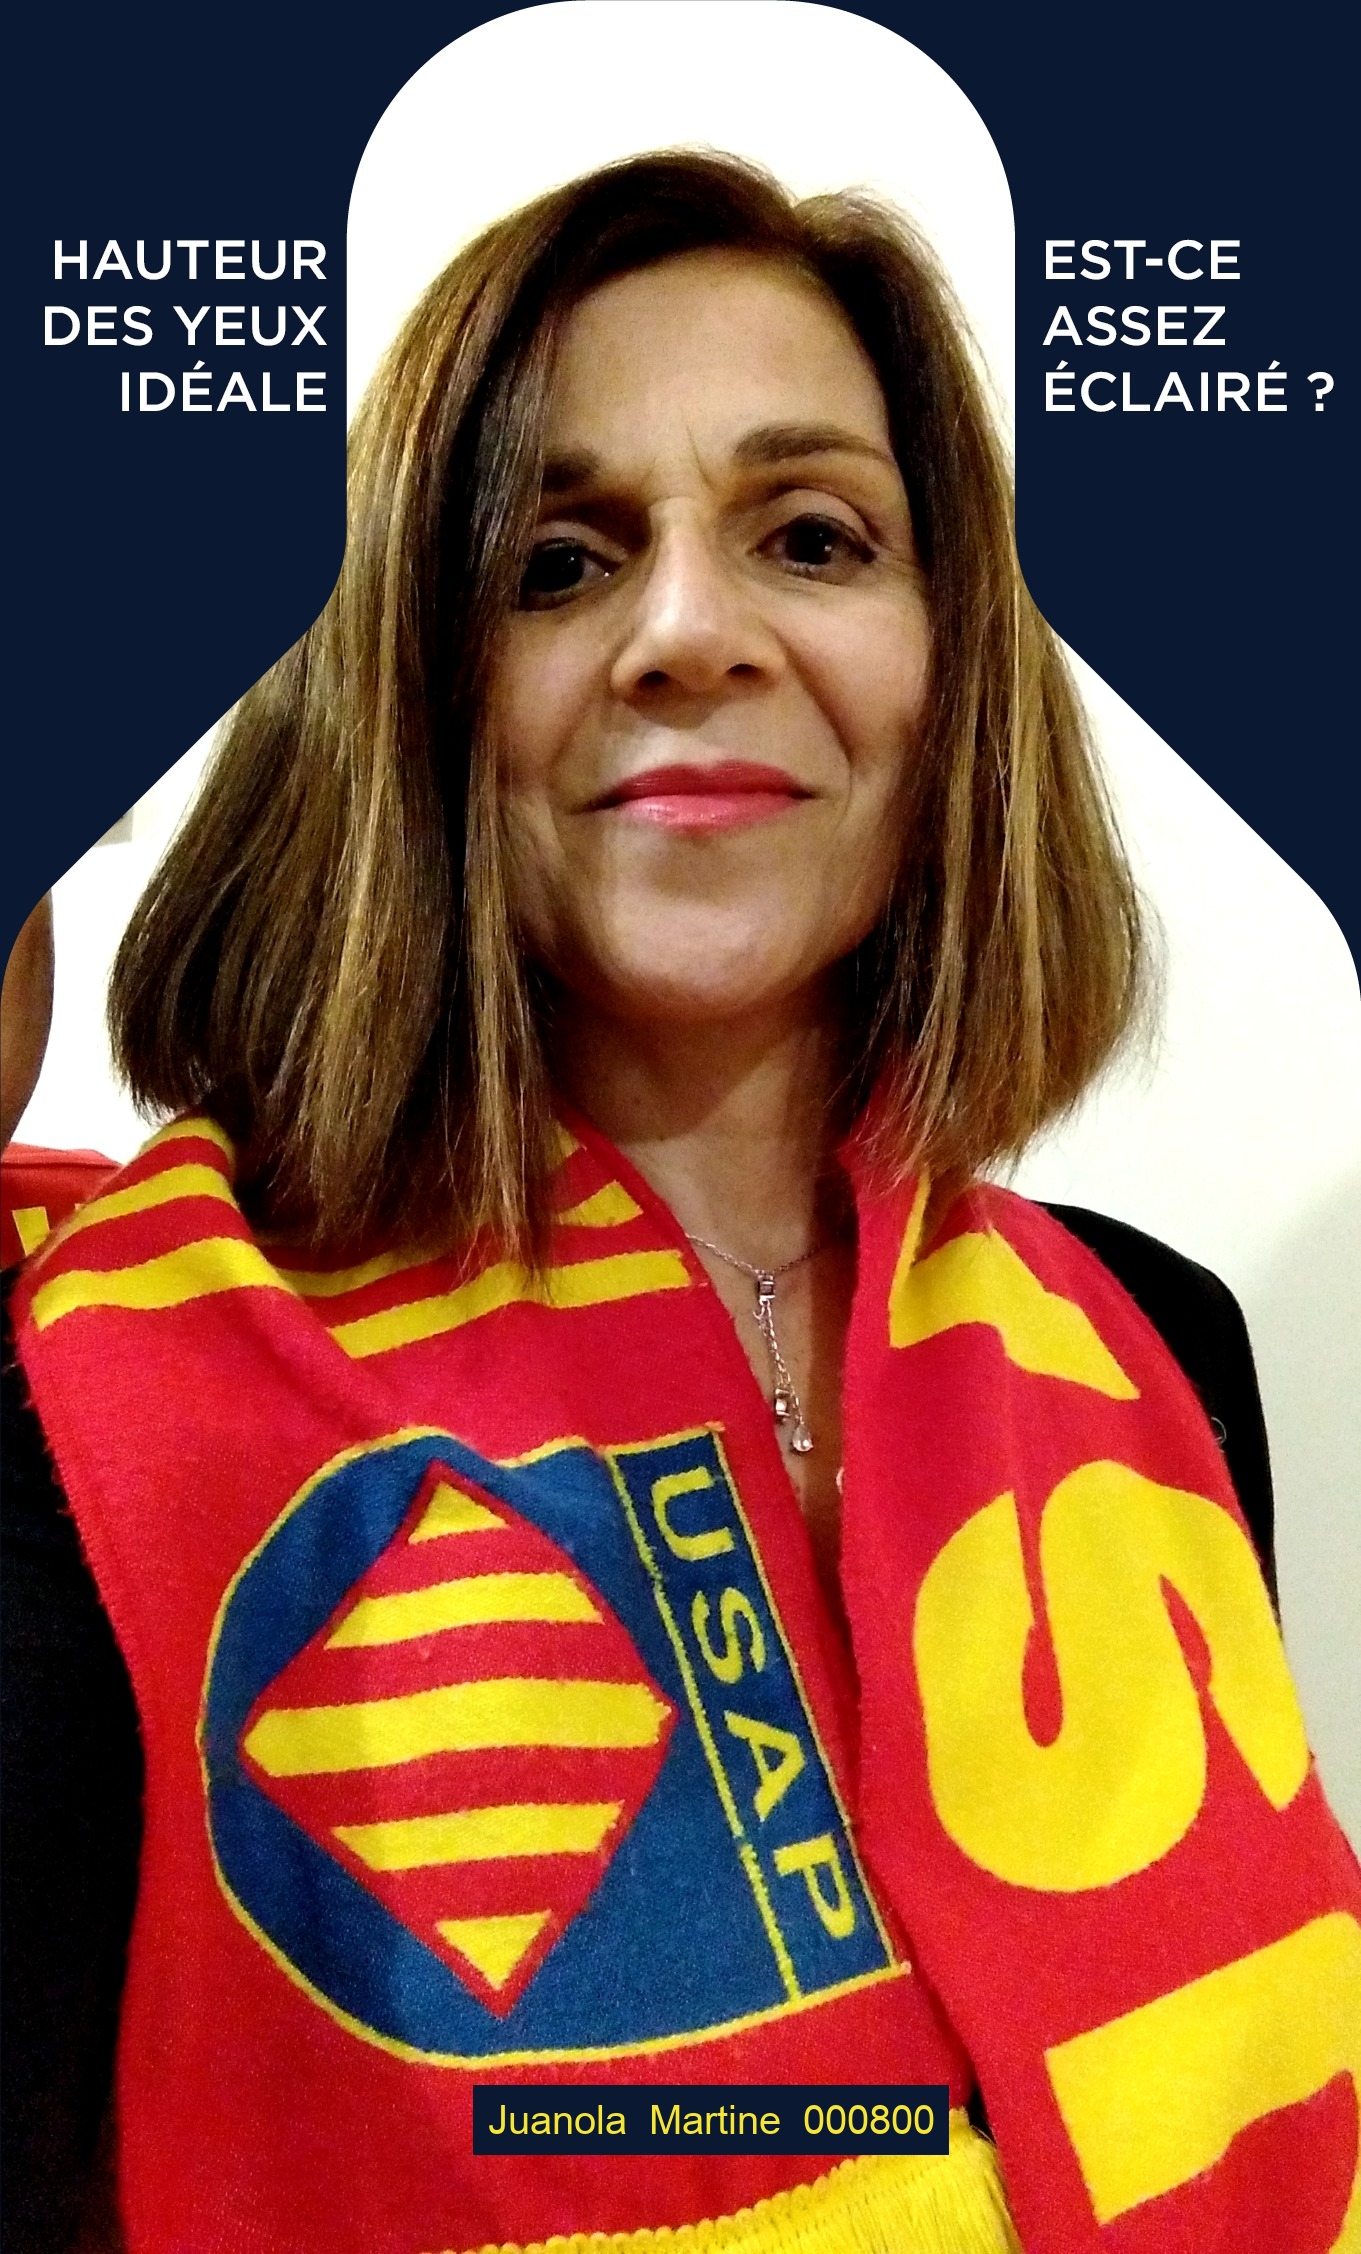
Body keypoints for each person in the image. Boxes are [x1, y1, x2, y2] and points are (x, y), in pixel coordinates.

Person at [4, 152, 1358, 2254]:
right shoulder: (99, 1415)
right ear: (410, 692)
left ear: (951, 665)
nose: (691, 634)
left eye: (813, 536)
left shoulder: (1161, 1351)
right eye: (555, 562)